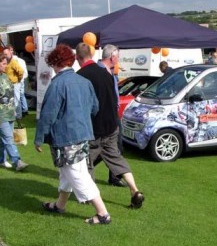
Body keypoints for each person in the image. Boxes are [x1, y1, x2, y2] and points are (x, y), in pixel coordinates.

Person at [35, 44, 111, 225]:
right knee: (68, 172)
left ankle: (102, 214)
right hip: (83, 134)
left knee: (77, 175)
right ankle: (59, 205)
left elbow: (48, 115)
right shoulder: (84, 82)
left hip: (65, 137)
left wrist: (39, 137)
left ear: (55, 63)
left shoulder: (58, 84)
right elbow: (95, 107)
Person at [76, 44, 145, 208]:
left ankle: (90, 198)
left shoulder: (80, 76)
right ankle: (135, 190)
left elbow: (85, 105)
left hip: (94, 129)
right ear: (91, 54)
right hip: (112, 126)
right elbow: (114, 100)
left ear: (77, 58)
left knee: (86, 162)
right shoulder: (107, 74)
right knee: (116, 159)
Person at [0, 54, 28, 171]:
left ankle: (1, 160)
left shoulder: (5, 76)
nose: (6, 66)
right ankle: (17, 161)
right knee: (8, 138)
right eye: (3, 63)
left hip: (10, 113)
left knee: (5, 139)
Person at [2, 45, 25, 121]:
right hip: (7, 84)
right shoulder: (5, 62)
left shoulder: (13, 62)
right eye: (4, 54)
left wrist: (18, 79)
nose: (5, 56)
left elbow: (21, 71)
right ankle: (11, 114)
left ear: (10, 54)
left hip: (14, 84)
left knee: (16, 100)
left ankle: (18, 116)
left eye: (6, 54)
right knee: (8, 100)